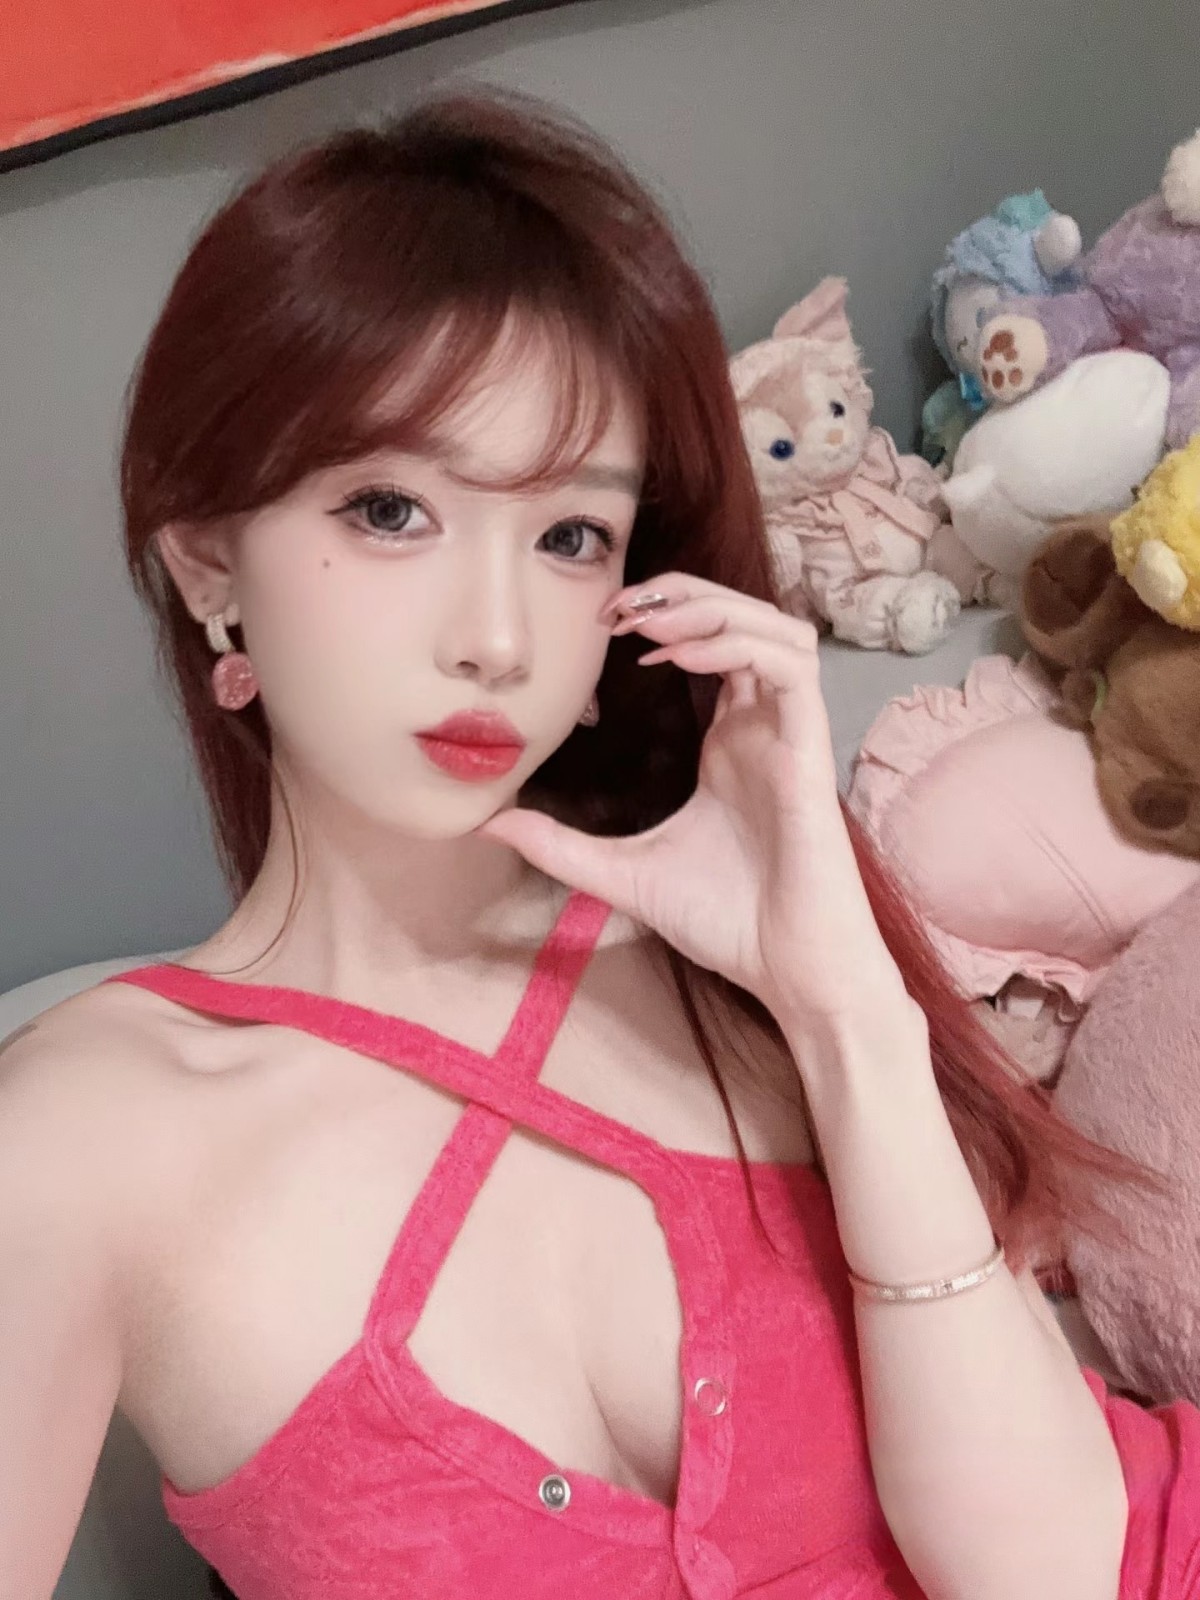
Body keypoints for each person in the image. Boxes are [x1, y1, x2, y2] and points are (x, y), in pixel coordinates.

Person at [1, 87, 1197, 1600]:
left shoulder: (725, 947)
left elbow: (1059, 1571)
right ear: (208, 571)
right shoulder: (82, 1136)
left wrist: (845, 1010)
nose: (498, 638)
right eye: (390, 509)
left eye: (571, 536)